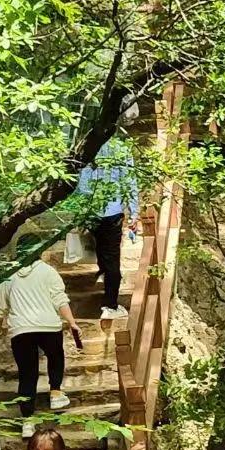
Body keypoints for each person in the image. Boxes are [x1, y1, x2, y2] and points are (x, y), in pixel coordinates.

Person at [0, 258, 83, 437]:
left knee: (27, 373)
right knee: (56, 356)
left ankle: (27, 421)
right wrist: (72, 322)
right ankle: (56, 394)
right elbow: (60, 300)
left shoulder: (7, 276)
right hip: (48, 325)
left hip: (21, 329)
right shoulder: (48, 271)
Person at [77, 137, 139, 323]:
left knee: (101, 248)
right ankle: (110, 305)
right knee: (112, 255)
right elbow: (129, 181)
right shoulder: (120, 148)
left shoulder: (86, 145)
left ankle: (103, 273)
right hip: (112, 210)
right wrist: (134, 212)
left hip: (91, 209)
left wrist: (82, 208)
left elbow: (81, 181)